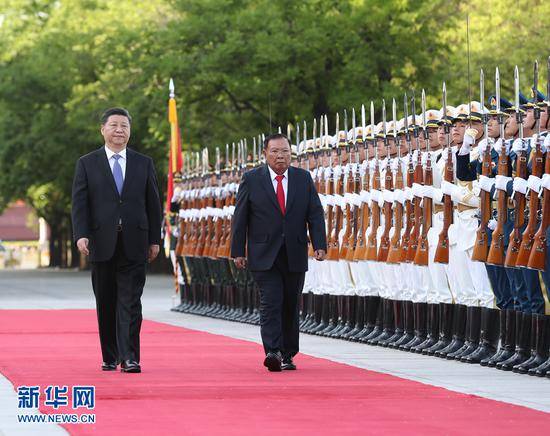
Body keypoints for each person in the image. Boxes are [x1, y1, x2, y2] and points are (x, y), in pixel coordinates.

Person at [71, 107, 162, 373]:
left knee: (131, 302)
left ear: (130, 131)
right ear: (103, 130)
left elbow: (153, 204)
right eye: (114, 125)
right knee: (106, 301)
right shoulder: (87, 163)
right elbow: (80, 204)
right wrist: (81, 234)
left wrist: (154, 239)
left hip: (135, 241)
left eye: (124, 125)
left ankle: (130, 357)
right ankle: (110, 355)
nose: (119, 130)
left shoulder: (143, 163)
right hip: (101, 242)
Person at [230, 133, 327, 371]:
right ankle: (272, 351)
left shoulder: (303, 178)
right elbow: (240, 217)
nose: (280, 156)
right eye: (275, 151)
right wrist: (237, 250)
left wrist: (320, 244)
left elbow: (314, 213)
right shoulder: (252, 179)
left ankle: (288, 353)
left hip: (294, 251)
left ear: (291, 153)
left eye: (284, 151)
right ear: (265, 154)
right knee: (271, 301)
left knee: (290, 304)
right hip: (264, 253)